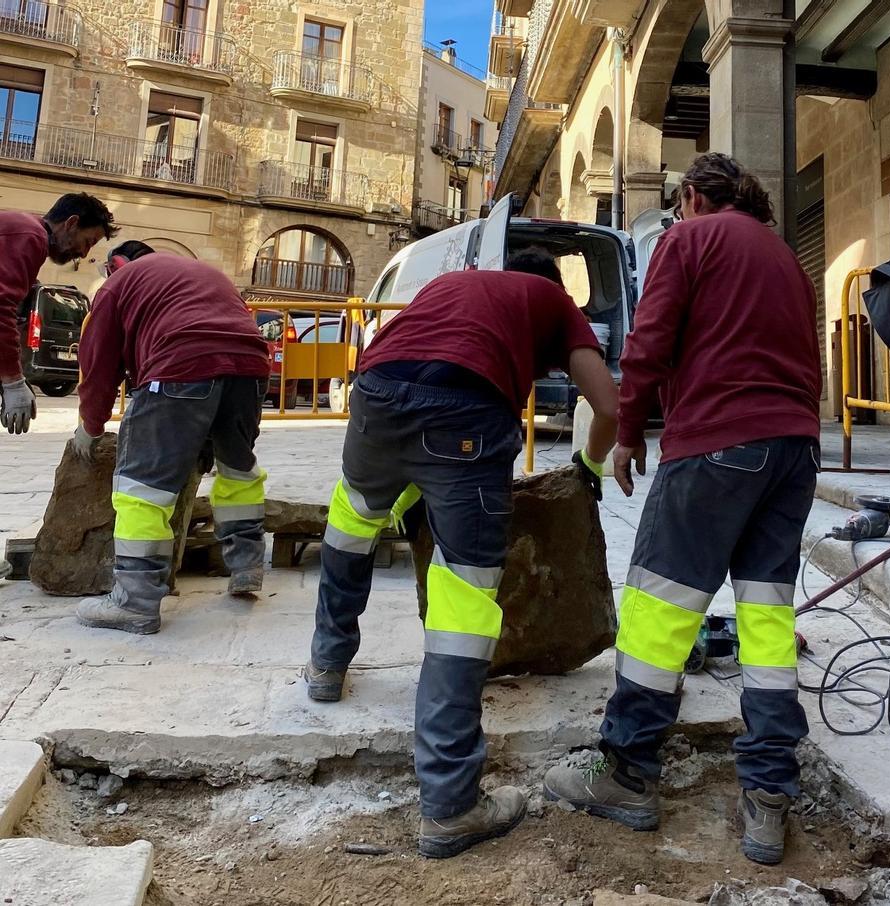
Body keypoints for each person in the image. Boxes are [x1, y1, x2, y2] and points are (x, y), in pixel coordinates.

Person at [543, 153, 823, 866]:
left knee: (658, 608)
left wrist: (628, 433)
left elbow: (650, 344)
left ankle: (627, 773)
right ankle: (767, 795)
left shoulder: (688, 240)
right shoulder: (786, 258)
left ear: (693, 197)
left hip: (718, 444)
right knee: (766, 620)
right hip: (793, 448)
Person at [303, 249, 619, 859]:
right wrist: (590, 465)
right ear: (550, 281)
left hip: (375, 396)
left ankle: (325, 666)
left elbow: (418, 361)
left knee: (352, 523)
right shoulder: (551, 299)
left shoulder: (453, 283)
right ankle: (450, 805)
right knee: (465, 596)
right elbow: (607, 404)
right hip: (466, 412)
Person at [71, 241, 272, 634]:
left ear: (117, 264)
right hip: (249, 368)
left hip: (180, 363)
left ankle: (135, 602)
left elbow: (98, 363)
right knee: (237, 467)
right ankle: (246, 567)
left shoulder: (119, 282)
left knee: (141, 487)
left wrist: (89, 426)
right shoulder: (204, 274)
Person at [0, 193, 117, 437]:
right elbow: (1, 310)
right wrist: (12, 382)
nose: (84, 254)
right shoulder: (30, 236)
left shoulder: (25, 233)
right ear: (71, 223)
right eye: (88, 241)